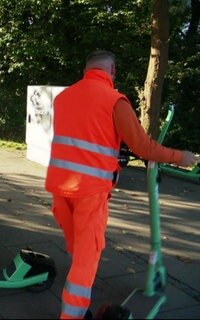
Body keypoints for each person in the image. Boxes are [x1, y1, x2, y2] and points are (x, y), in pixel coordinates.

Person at [45, 50, 199, 320]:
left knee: (76, 249)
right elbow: (143, 147)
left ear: (86, 69)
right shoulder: (115, 100)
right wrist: (181, 157)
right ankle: (72, 315)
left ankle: (77, 304)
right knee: (85, 261)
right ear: (112, 70)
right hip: (89, 193)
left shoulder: (63, 98)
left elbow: (85, 136)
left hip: (59, 187)